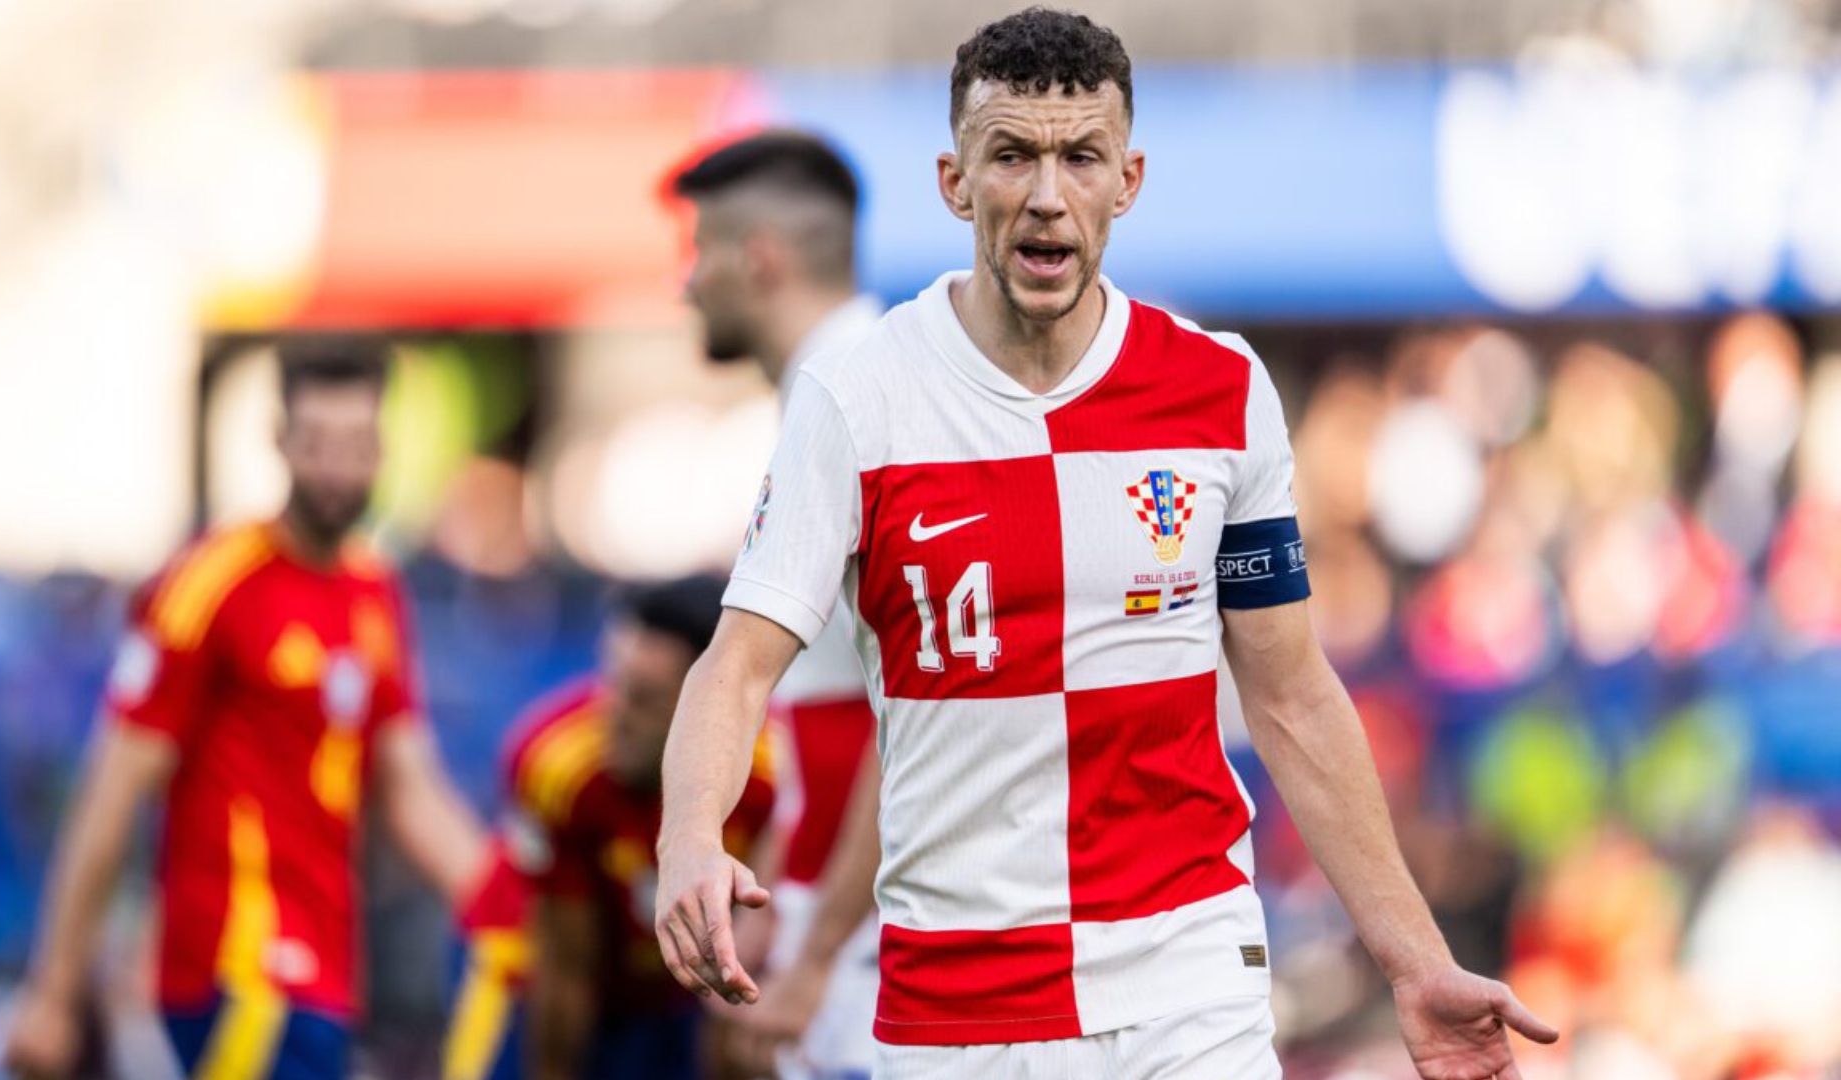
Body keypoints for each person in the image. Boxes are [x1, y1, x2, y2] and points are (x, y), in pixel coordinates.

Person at [653, 8, 1560, 1080]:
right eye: (1012, 156)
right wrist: (689, 841)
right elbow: (737, 664)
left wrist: (1416, 962)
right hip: (958, 1006)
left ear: (1127, 181)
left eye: (1081, 157)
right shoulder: (857, 397)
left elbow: (1291, 695)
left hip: (1188, 988)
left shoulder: (1221, 390)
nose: (1048, 194)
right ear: (954, 182)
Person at [4, 341, 488, 1080]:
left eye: (356, 446)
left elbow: (411, 788)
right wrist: (53, 992)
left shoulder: (374, 592)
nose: (337, 470)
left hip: (328, 977)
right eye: (317, 444)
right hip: (237, 971)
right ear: (280, 441)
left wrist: (510, 906)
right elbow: (114, 787)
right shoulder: (212, 583)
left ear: (383, 448)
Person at [670, 130, 885, 1080]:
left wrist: (821, 953)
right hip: (849, 930)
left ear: (759, 257)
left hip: (881, 954)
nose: (687, 284)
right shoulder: (830, 392)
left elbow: (919, 715)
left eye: (700, 250)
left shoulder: (866, 400)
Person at [447, 576, 779, 1080]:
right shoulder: (559, 766)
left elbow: (746, 970)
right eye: (615, 684)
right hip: (532, 968)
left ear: (706, 710)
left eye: (645, 699)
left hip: (675, 985)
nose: (615, 716)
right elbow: (565, 970)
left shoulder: (770, 777)